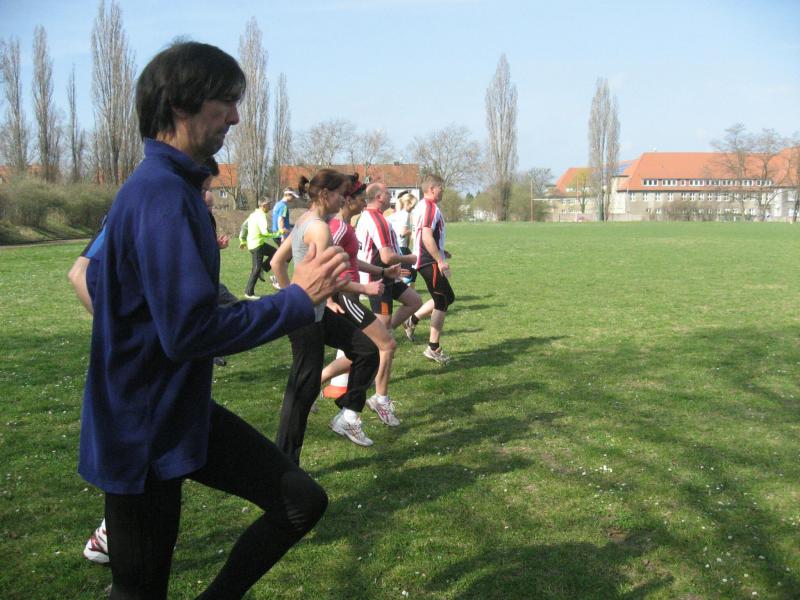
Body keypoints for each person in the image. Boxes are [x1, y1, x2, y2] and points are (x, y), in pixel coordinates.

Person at [77, 41, 350, 599]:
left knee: (300, 501)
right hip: (142, 430)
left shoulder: (165, 188)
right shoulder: (160, 195)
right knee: (138, 592)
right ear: (180, 104)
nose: (236, 117)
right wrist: (297, 300)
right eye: (225, 101)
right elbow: (188, 333)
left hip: (176, 409)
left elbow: (102, 282)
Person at [271, 170, 380, 459]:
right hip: (307, 319)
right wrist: (365, 289)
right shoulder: (319, 228)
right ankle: (286, 461)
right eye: (341, 194)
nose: (344, 200)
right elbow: (329, 276)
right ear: (325, 194)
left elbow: (277, 262)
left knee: (367, 350)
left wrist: (291, 296)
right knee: (302, 391)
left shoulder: (304, 220)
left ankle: (348, 412)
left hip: (314, 312)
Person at [320, 177, 402, 426]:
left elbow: (352, 262)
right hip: (344, 296)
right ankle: (374, 401)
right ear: (348, 200)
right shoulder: (338, 227)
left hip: (350, 294)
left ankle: (325, 391)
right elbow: (323, 264)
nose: (363, 203)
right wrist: (328, 299)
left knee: (365, 350)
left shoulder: (347, 226)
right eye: (359, 198)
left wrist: (382, 272)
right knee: (385, 344)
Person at [404, 173, 456, 364]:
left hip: (426, 259)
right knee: (442, 300)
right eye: (441, 187)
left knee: (447, 297)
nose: (443, 190)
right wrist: (439, 260)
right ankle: (433, 348)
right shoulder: (429, 207)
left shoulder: (422, 206)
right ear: (432, 189)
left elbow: (422, 236)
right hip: (428, 261)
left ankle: (413, 320)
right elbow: (426, 237)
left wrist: (441, 251)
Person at [242, 197, 279, 299]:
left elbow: (244, 226)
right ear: (263, 206)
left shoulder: (253, 214)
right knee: (256, 269)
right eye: (269, 205)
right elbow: (265, 233)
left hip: (255, 244)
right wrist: (278, 234)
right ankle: (248, 293)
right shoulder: (261, 216)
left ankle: (263, 268)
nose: (270, 206)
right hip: (257, 245)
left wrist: (243, 240)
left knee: (275, 253)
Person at [390, 190, 418, 285]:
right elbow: (403, 232)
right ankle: (401, 287)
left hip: (396, 247)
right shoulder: (406, 214)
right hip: (401, 247)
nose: (414, 207)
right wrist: (415, 232)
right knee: (409, 274)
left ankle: (402, 287)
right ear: (408, 203)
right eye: (413, 205)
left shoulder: (394, 215)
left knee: (411, 272)